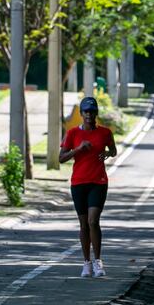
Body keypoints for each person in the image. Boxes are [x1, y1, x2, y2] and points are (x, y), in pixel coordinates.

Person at [59, 96, 117, 278]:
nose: (89, 115)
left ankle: (98, 261)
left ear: (96, 113)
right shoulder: (73, 134)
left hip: (98, 181)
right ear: (81, 114)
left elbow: (113, 150)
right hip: (78, 182)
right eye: (86, 112)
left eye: (92, 112)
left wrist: (107, 153)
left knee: (93, 221)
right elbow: (61, 158)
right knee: (83, 224)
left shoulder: (105, 133)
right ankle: (86, 263)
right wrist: (78, 149)